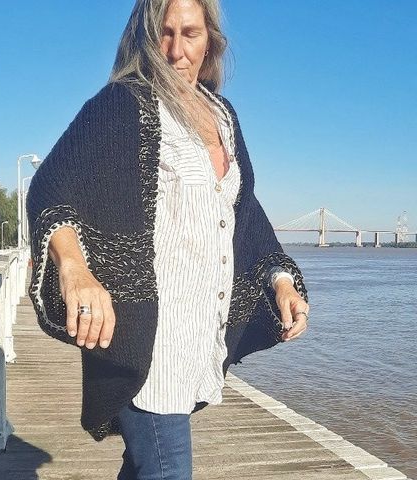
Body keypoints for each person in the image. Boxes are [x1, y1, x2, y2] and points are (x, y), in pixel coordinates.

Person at [26, 0, 310, 478]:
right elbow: (51, 186)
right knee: (166, 468)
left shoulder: (223, 115)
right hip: (148, 340)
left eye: (190, 33)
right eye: (165, 32)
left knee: (146, 466)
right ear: (145, 37)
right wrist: (75, 269)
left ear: (211, 40)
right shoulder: (125, 103)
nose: (177, 50)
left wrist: (282, 282)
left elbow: (244, 214)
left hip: (199, 337)